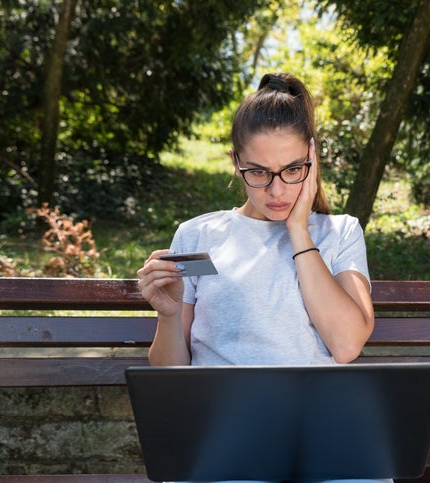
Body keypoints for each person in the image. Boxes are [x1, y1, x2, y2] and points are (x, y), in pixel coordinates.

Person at [136, 73, 387, 483]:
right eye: (258, 172)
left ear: (312, 158)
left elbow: (345, 345)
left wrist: (299, 231)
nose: (277, 190)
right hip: (222, 435)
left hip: (323, 431)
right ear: (235, 162)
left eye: (292, 170)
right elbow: (171, 379)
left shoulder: (340, 232)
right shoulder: (199, 236)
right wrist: (166, 317)